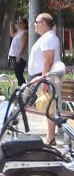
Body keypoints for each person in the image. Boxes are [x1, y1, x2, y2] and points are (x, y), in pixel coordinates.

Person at [29, 12, 63, 145]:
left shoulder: (48, 38)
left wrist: (44, 81)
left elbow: (47, 61)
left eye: (36, 22)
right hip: (42, 77)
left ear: (43, 23)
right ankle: (50, 137)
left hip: (45, 78)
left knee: (49, 107)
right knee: (47, 106)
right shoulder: (46, 37)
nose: (34, 25)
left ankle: (50, 138)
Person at [9, 17, 29, 86]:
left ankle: (23, 88)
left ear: (25, 24)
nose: (18, 24)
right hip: (16, 55)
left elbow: (24, 45)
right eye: (18, 23)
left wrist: (19, 55)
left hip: (21, 56)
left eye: (20, 23)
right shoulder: (19, 31)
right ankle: (21, 87)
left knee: (18, 73)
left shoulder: (25, 33)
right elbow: (12, 35)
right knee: (17, 73)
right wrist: (11, 25)